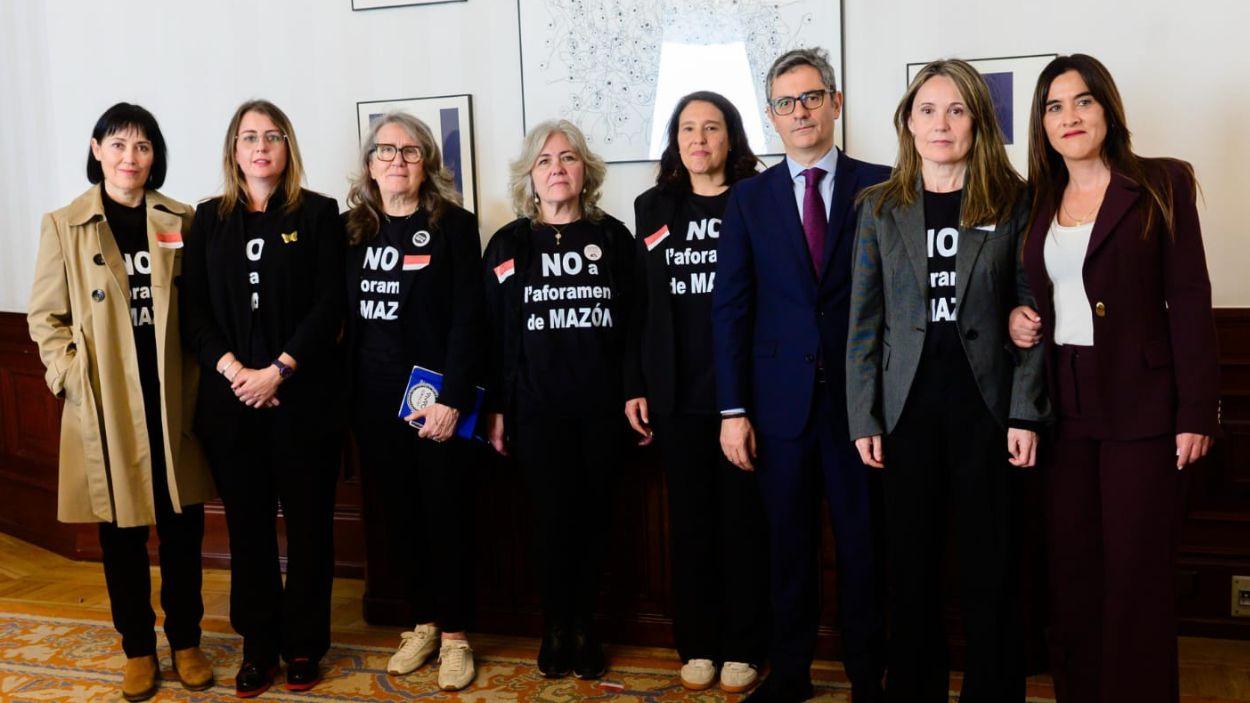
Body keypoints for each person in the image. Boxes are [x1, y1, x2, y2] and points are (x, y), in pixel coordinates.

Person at [1007, 54, 1218, 703]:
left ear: (1107, 109)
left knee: (1134, 574)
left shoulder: (1159, 182)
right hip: (1062, 404)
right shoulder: (1037, 199)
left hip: (1142, 407)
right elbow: (1039, 291)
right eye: (1053, 106)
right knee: (1073, 573)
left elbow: (1189, 297)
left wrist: (1196, 413)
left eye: (1082, 102)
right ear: (1041, 124)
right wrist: (1020, 316)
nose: (1069, 117)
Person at [846, 59, 1048, 703]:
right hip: (905, 413)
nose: (942, 123)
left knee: (991, 567)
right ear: (908, 122)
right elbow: (864, 321)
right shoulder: (879, 208)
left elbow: (1032, 310)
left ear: (979, 122)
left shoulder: (1012, 201)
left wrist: (1025, 412)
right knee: (910, 568)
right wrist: (864, 418)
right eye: (928, 110)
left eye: (957, 110)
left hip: (984, 413)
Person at [712, 47, 889, 703]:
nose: (801, 111)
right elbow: (730, 309)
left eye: (812, 96)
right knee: (788, 549)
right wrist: (733, 410)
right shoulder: (749, 200)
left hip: (860, 409)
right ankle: (790, 673)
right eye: (786, 102)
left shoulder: (882, 185)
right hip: (777, 409)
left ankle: (870, 675)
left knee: (864, 548)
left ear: (836, 103)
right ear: (771, 117)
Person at [26, 102, 216, 702]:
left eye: (142, 146)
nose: (129, 157)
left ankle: (186, 641)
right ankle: (138, 648)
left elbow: (204, 308)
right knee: (121, 536)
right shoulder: (64, 224)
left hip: (171, 398)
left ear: (154, 155)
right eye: (118, 144)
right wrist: (69, 375)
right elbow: (45, 317)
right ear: (96, 149)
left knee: (183, 529)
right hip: (106, 401)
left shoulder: (181, 218)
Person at [180, 99, 345, 697]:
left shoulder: (321, 213)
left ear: (287, 147)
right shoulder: (207, 220)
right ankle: (258, 646)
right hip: (231, 406)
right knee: (248, 532)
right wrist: (235, 372)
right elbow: (193, 312)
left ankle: (303, 645)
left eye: (272, 136)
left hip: (303, 402)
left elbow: (330, 305)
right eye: (249, 137)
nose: (261, 146)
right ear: (233, 149)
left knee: (308, 530)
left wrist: (277, 370)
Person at [624, 91, 768, 693]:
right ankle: (698, 642)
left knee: (743, 523)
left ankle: (744, 645)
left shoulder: (758, 201)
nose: (700, 139)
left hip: (744, 393)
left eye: (712, 128)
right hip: (675, 393)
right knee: (691, 525)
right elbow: (639, 305)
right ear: (675, 141)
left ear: (731, 138)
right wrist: (635, 383)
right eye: (688, 129)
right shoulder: (652, 206)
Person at [481, 119, 633, 681]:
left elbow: (637, 325)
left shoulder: (614, 238)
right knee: (549, 523)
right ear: (530, 176)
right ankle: (555, 626)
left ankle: (587, 627)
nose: (557, 169)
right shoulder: (508, 244)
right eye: (545, 161)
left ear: (585, 170)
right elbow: (493, 334)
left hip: (600, 409)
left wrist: (635, 393)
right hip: (534, 412)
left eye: (567, 158)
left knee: (596, 521)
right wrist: (495, 407)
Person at [343, 112, 485, 692]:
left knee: (445, 515)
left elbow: (470, 320)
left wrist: (452, 398)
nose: (396, 160)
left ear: (427, 162)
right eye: (385, 151)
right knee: (399, 517)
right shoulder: (350, 228)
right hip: (373, 402)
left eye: (409, 151)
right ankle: (421, 623)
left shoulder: (454, 224)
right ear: (370, 165)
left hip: (434, 403)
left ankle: (456, 637)